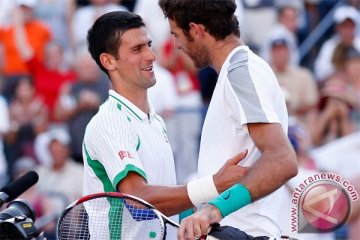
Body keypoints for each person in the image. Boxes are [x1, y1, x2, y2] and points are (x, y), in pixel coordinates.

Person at [83, 11, 249, 239]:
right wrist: (214, 184)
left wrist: (206, 213)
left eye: (149, 45)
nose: (151, 56)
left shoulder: (155, 121)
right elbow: (139, 201)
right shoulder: (109, 122)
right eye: (137, 49)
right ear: (108, 61)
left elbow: (167, 205)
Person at [158, 0, 298, 239]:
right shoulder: (237, 71)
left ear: (196, 30)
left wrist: (215, 209)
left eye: (177, 35)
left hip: (244, 233)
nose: (177, 45)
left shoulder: (240, 73)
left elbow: (283, 159)